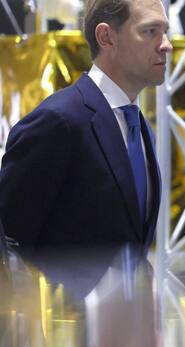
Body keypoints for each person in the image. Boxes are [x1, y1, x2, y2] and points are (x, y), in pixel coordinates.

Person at [0, 0, 172, 254]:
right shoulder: (58, 121)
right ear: (106, 37)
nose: (166, 44)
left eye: (165, 31)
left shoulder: (140, 127)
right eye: (150, 31)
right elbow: (10, 236)